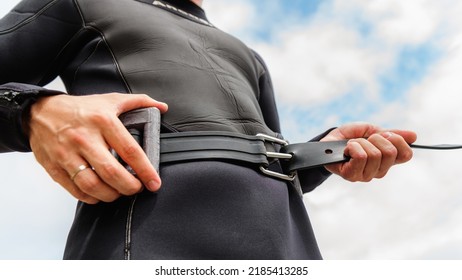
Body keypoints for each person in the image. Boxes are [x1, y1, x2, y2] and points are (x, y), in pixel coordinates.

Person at [0, 0, 416, 259]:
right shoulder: (80, 3)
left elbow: (267, 165)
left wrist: (322, 154)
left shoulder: (247, 55)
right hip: (143, 242)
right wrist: (33, 112)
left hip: (288, 251)